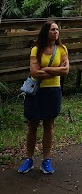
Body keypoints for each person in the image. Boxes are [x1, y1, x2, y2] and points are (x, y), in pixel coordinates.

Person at [18, 20, 69, 174]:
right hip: (35, 91)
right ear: (46, 31)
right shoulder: (36, 49)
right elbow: (34, 72)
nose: (56, 32)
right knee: (32, 126)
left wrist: (45, 68)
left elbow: (65, 70)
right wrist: (55, 69)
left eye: (57, 30)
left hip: (53, 91)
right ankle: (29, 159)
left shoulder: (62, 49)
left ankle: (46, 160)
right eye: (53, 29)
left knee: (49, 125)